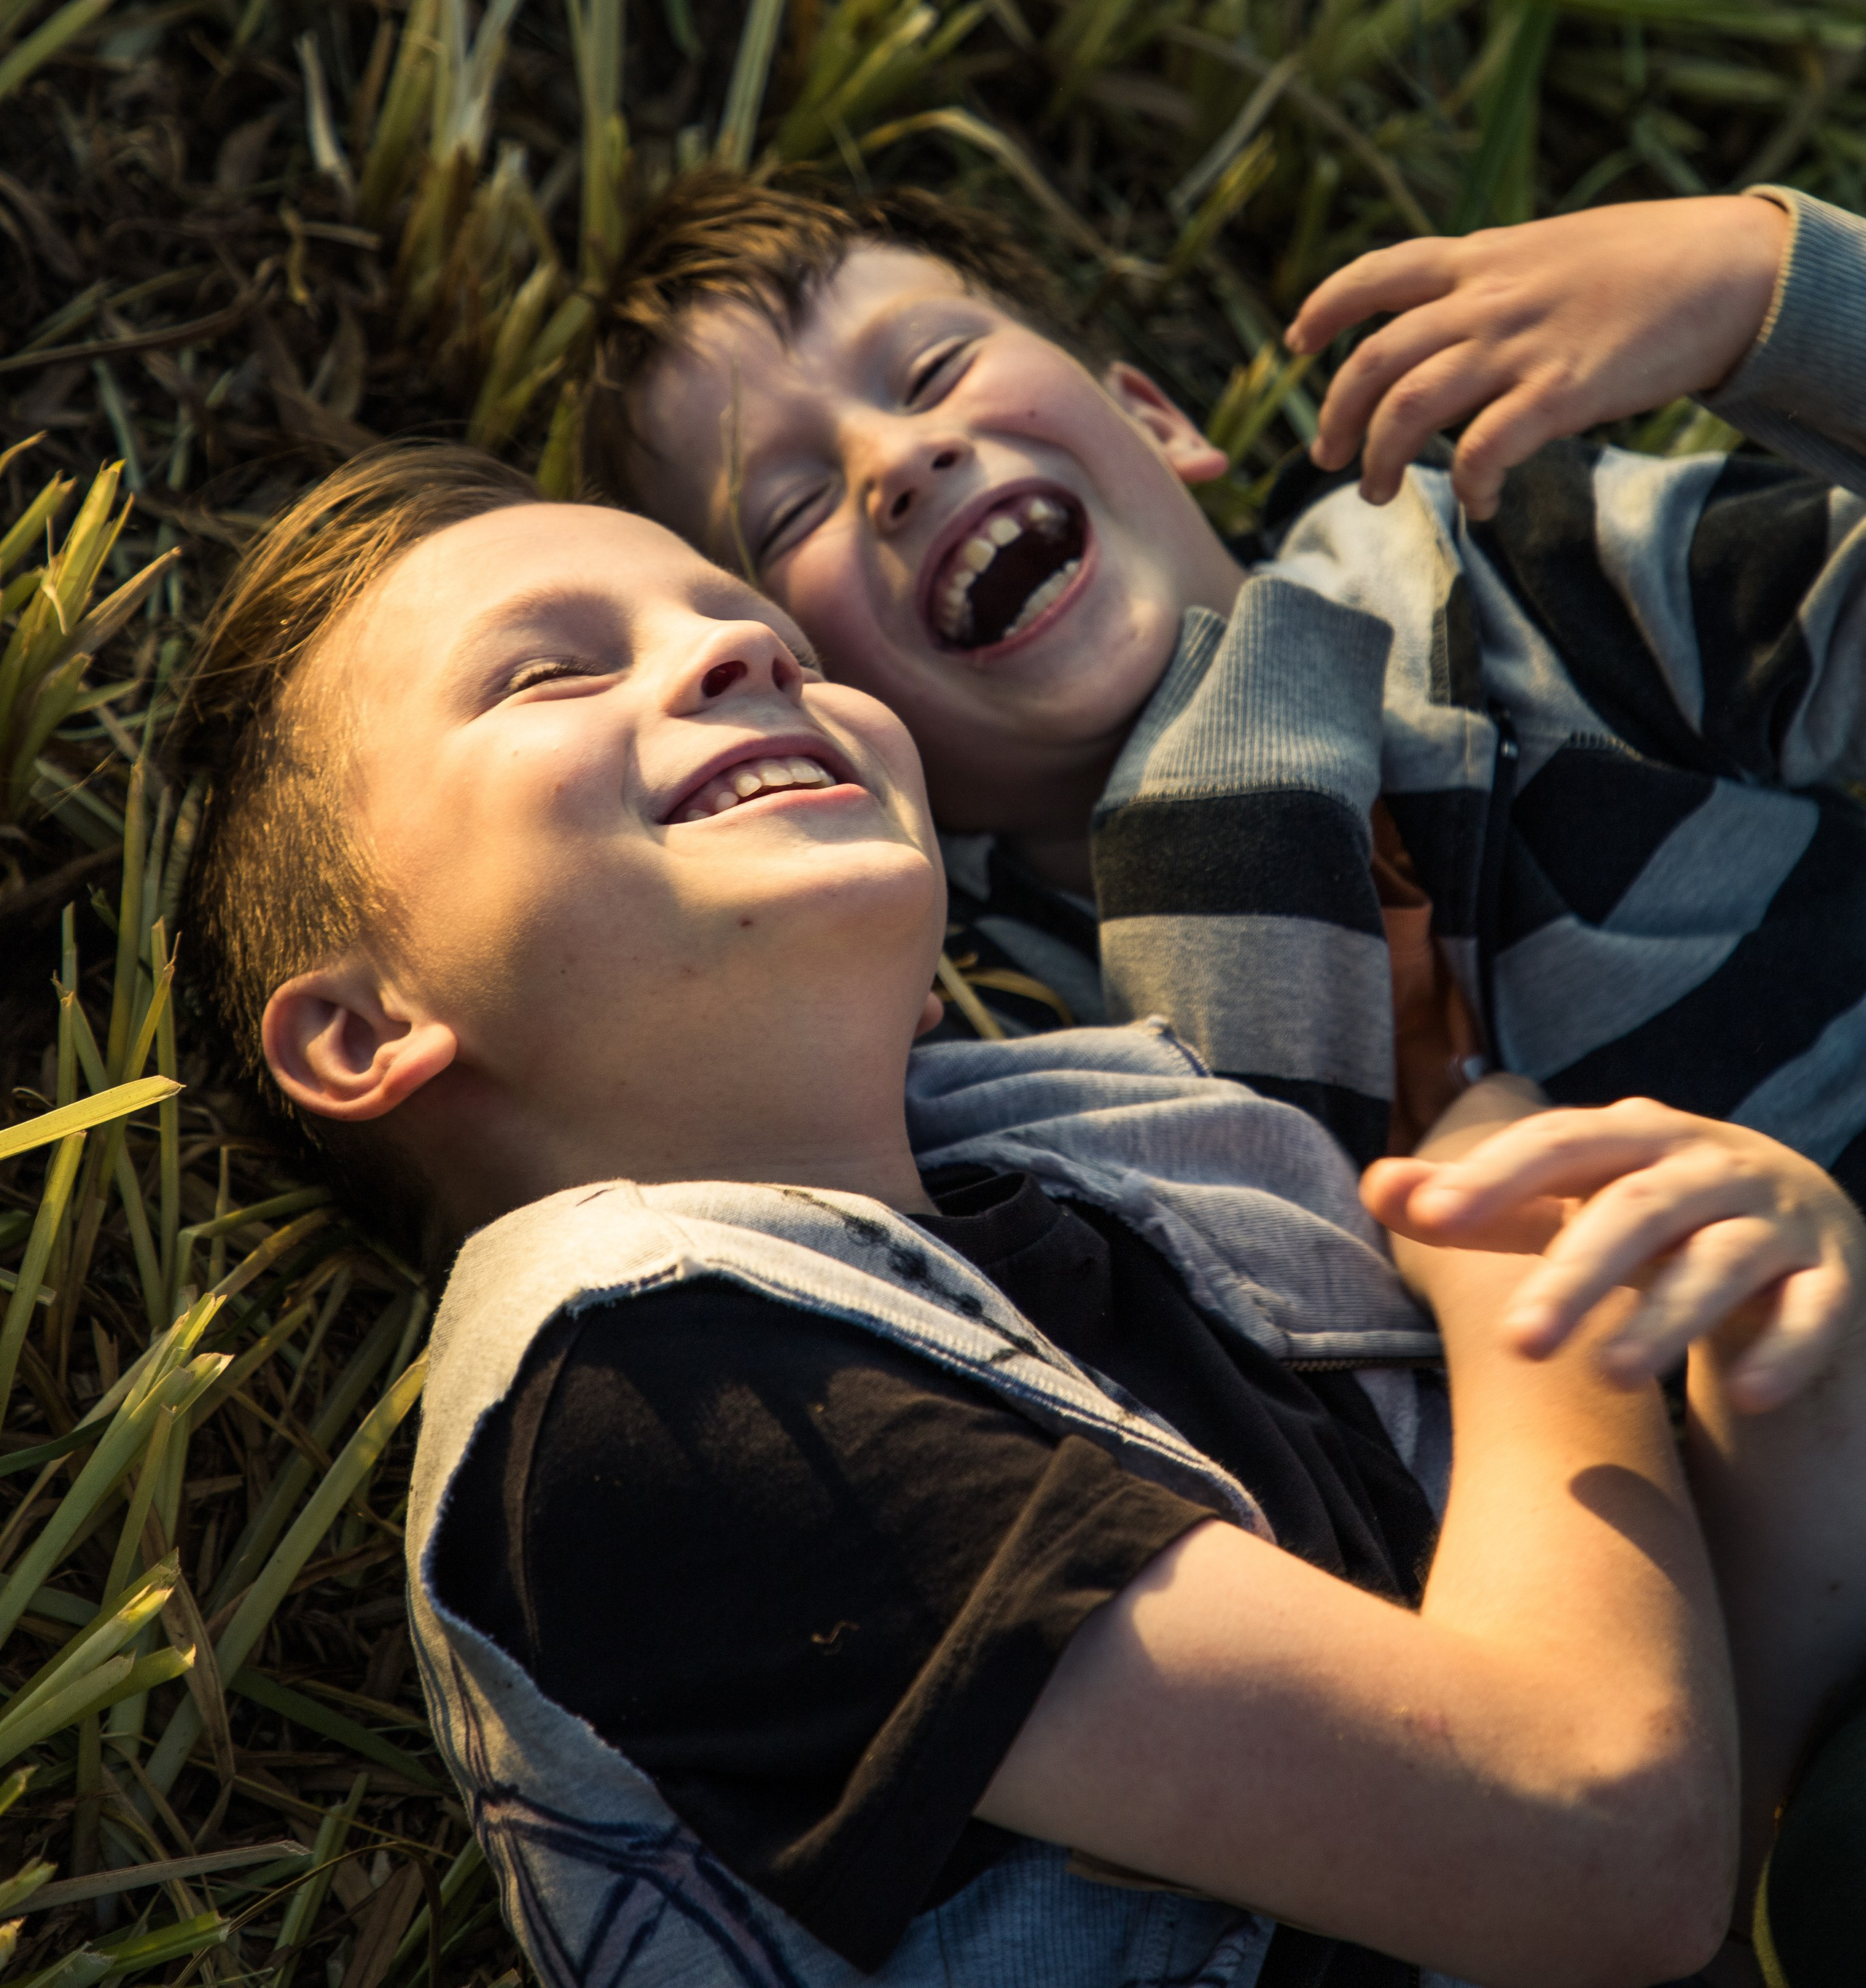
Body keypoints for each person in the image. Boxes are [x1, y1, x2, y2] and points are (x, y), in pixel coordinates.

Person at [171, 444, 1866, 1988]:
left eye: (772, 636)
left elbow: (1706, 1808)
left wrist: (1777, 1372)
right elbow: (1592, 1837)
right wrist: (1528, 1290)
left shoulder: (1129, 1208)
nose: (747, 654)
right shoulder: (643, 1393)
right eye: (550, 669)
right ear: (363, 1028)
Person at [584, 177, 1866, 1186]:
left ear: (1154, 421)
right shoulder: (959, 1020)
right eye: (793, 505)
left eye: (930, 370)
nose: (899, 461)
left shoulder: (1509, 566)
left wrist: (1771, 287)